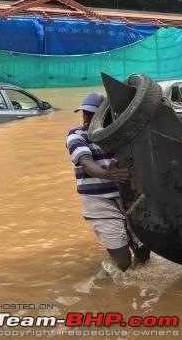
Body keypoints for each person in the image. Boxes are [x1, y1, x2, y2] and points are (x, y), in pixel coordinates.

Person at [66, 93, 150, 271]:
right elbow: (87, 164)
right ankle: (104, 284)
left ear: (105, 116)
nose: (87, 119)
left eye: (92, 115)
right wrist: (108, 174)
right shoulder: (77, 135)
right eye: (85, 114)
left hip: (129, 199)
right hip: (99, 203)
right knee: (123, 261)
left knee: (144, 255)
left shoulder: (119, 136)